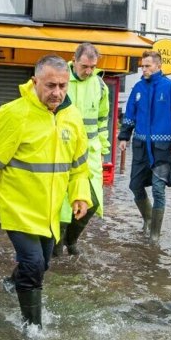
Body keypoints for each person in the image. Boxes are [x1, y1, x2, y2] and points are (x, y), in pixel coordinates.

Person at [0, 55, 90, 327]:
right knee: (33, 265)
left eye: (63, 86)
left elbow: (80, 166)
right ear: (35, 82)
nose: (57, 92)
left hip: (50, 210)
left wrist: (80, 195)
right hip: (17, 208)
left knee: (42, 264)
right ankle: (33, 329)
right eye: (50, 85)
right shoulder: (13, 114)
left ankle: (13, 284)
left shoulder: (72, 117)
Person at [118, 50, 171, 240]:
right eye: (142, 66)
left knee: (158, 190)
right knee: (135, 186)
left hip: (163, 148)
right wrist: (124, 137)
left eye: (148, 66)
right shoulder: (138, 88)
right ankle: (149, 218)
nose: (144, 69)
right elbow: (130, 114)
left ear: (158, 66)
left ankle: (155, 235)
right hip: (141, 147)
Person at [55, 42, 110, 258]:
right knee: (60, 201)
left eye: (92, 67)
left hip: (90, 152)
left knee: (92, 201)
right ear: (74, 60)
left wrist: (103, 148)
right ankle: (57, 245)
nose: (88, 71)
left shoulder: (100, 86)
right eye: (84, 66)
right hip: (62, 149)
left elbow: (102, 119)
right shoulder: (60, 80)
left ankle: (71, 239)